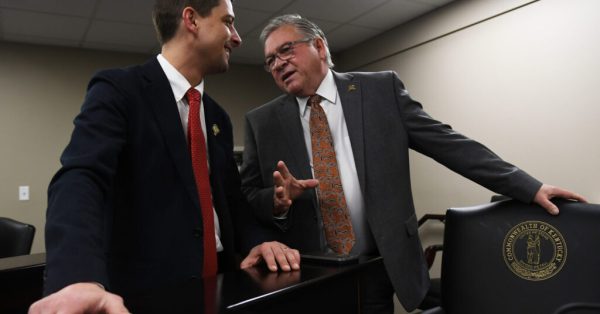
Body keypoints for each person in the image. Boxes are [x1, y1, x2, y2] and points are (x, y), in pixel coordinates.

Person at [240, 14, 587, 313]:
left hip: (375, 266)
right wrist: (276, 201)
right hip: (308, 274)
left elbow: (451, 145)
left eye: (286, 50)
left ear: (318, 45)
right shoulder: (262, 122)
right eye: (269, 60)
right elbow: (248, 196)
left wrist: (529, 187)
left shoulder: (380, 91)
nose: (278, 63)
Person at [29, 1, 300, 313]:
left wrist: (258, 240)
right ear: (192, 20)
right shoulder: (119, 90)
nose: (237, 37)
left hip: (220, 291)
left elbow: (231, 201)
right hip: (148, 297)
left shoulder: (217, 118)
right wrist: (77, 278)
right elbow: (81, 178)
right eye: (228, 22)